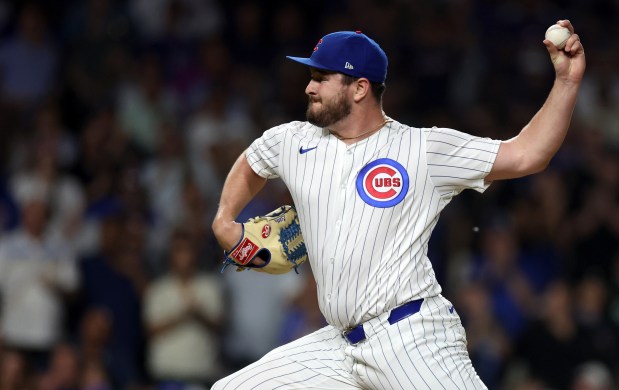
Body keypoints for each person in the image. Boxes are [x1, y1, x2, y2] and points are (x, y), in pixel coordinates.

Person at [211, 20, 585, 389]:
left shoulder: (422, 149)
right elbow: (253, 161)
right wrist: (225, 218)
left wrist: (566, 83)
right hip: (338, 346)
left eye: (322, 77)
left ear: (359, 88)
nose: (309, 87)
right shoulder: (294, 140)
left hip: (411, 338)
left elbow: (526, 154)